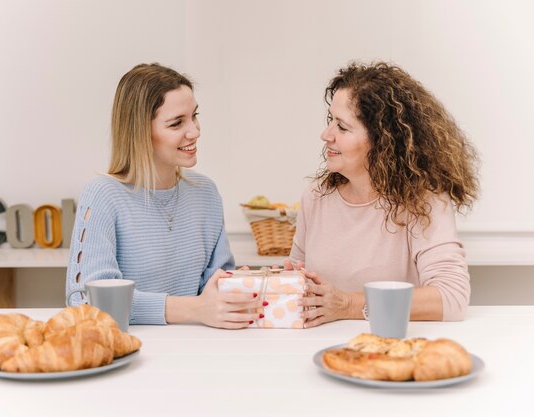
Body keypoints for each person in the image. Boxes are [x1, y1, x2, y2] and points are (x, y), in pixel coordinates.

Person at [66, 63, 262, 328]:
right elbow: (90, 303)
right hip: (130, 351)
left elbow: (215, 283)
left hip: (197, 347)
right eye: (176, 123)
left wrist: (243, 287)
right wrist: (195, 309)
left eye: (194, 116)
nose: (194, 131)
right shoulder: (103, 196)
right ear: (140, 132)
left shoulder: (205, 193)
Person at [287, 61, 479, 327]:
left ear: (383, 141)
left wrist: (347, 305)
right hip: (318, 348)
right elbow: (299, 282)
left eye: (342, 127)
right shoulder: (316, 196)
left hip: (394, 346)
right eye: (331, 121)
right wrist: (280, 284)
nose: (326, 135)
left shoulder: (423, 202)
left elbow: (451, 298)